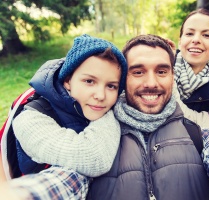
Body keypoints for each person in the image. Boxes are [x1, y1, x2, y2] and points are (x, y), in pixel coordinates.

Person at [1, 34, 209, 200]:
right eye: (138, 71)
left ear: (172, 76)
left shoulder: (197, 132)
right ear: (123, 82)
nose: (152, 83)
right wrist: (24, 195)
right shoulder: (98, 136)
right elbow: (66, 180)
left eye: (162, 70)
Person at [10, 34, 127, 182]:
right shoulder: (30, 120)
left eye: (111, 86)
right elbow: (94, 159)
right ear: (68, 81)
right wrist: (111, 112)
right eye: (89, 81)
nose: (100, 95)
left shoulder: (95, 105)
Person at [173, 8, 209, 112]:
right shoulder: (158, 68)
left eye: (206, 35)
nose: (196, 40)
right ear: (180, 41)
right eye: (190, 33)